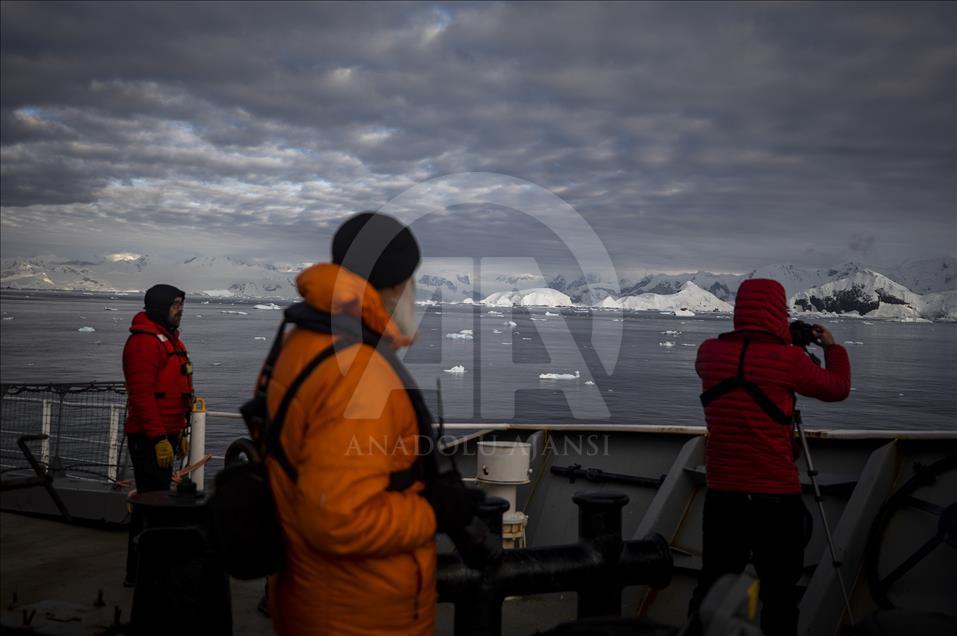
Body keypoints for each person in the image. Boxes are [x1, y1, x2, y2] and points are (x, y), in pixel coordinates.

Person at [265, 212, 482, 636]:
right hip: (359, 613)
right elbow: (339, 520)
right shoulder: (359, 374)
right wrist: (432, 511)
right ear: (398, 285)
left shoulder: (304, 340)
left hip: (312, 597)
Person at [689, 278, 851, 636]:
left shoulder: (708, 353)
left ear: (738, 309)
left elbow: (739, 363)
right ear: (778, 311)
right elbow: (837, 388)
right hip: (775, 496)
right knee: (779, 593)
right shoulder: (789, 360)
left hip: (723, 494)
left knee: (713, 583)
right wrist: (831, 348)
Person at [122, 284, 194, 586]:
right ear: (160, 306)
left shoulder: (169, 340)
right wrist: (158, 438)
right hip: (150, 438)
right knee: (150, 506)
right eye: (175, 304)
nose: (180, 309)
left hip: (166, 434)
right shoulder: (144, 344)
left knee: (157, 502)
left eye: (181, 304)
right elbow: (142, 396)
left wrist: (180, 433)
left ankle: (148, 570)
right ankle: (140, 573)